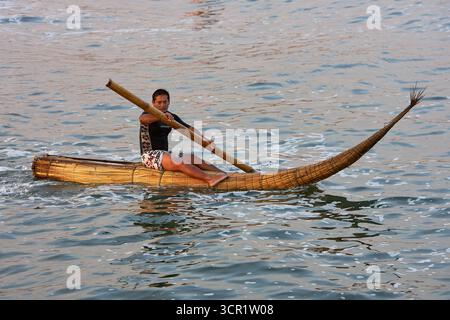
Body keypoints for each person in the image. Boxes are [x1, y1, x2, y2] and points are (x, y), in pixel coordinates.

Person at [139, 89, 228, 187]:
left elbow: (189, 129)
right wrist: (161, 117)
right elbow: (142, 119)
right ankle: (210, 180)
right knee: (179, 162)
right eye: (159, 102)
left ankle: (224, 174)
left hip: (165, 153)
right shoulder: (148, 113)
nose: (162, 105)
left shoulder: (171, 117)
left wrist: (205, 140)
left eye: (165, 102)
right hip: (149, 156)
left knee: (193, 157)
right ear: (153, 103)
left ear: (169, 102)